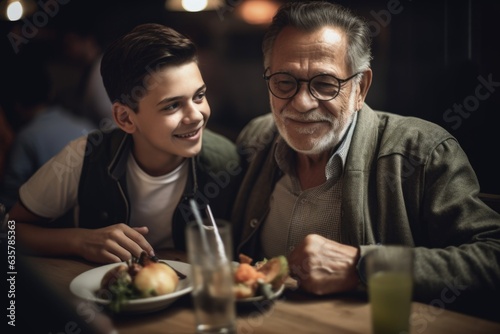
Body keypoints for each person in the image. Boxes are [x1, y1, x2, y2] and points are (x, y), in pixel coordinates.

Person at [231, 1, 500, 320]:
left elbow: (492, 256)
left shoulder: (422, 151)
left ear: (361, 87)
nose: (301, 103)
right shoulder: (256, 139)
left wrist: (364, 266)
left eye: (325, 84)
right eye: (284, 82)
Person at [8, 23, 242, 264]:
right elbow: (11, 232)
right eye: (172, 105)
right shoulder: (85, 156)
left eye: (199, 96)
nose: (196, 116)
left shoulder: (228, 163)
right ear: (125, 118)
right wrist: (80, 241)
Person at [0, 48, 95, 211]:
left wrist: (10, 235)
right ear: (51, 93)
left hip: (49, 223)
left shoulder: (26, 138)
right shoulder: (85, 125)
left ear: (16, 106)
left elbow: (9, 202)